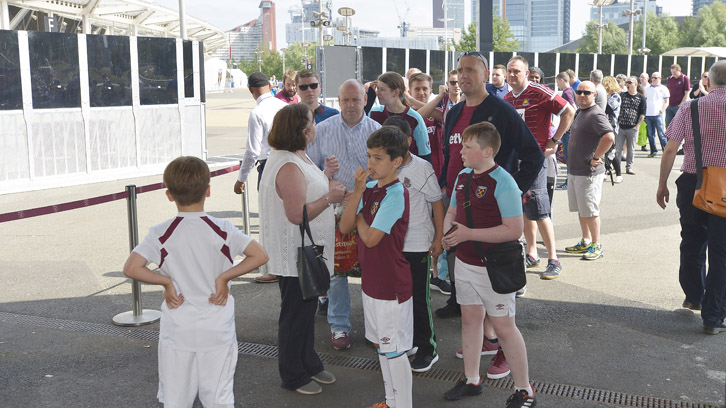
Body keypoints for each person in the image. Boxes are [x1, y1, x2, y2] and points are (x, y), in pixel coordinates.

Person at [123, 156, 269, 408]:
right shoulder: (223, 229)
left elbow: (131, 268)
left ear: (169, 195)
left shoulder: (161, 233)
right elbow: (260, 255)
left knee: (176, 399)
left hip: (178, 331)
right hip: (217, 329)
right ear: (208, 191)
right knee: (218, 398)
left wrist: (166, 282)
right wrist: (225, 276)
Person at [437, 51, 544, 382]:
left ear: (485, 74)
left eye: (471, 69)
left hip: (492, 217)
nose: (464, 75)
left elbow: (533, 155)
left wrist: (511, 191)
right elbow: (448, 156)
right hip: (460, 210)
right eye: (459, 70)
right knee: (469, 289)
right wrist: (446, 192)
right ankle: (486, 343)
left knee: (499, 285)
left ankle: (502, 352)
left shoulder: (501, 111)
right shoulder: (454, 111)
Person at [441, 122, 536, 408]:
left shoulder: (504, 182)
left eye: (467, 147)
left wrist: (467, 234)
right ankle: (471, 379)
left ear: (487, 151)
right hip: (466, 264)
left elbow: (514, 230)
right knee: (470, 319)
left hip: (493, 268)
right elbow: (453, 211)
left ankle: (524, 390)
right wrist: (447, 234)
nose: (460, 152)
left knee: (504, 327)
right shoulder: (463, 176)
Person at [259, 104, 345, 395]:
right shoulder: (288, 164)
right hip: (295, 254)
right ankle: (293, 374)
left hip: (305, 250)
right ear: (303, 130)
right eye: (311, 121)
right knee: (296, 316)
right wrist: (331, 197)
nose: (316, 125)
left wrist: (325, 173)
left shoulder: (295, 156)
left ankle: (309, 362)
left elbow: (305, 189)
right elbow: (297, 214)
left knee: (305, 312)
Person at [339, 127, 413, 408]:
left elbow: (369, 238)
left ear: (397, 161)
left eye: (378, 158)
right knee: (383, 348)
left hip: (390, 285)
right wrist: (358, 192)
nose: (370, 163)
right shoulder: (369, 188)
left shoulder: (396, 194)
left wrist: (358, 214)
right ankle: (390, 401)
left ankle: (401, 404)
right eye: (369, 156)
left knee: (393, 351)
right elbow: (345, 226)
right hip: (372, 283)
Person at [307, 79, 382, 350]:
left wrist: (362, 191)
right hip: (333, 211)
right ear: (337, 102)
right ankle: (338, 327)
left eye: (356, 100)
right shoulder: (322, 130)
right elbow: (309, 170)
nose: (350, 105)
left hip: (369, 209)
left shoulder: (377, 132)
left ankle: (375, 328)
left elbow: (387, 173)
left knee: (372, 268)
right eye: (345, 100)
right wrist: (328, 182)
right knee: (338, 271)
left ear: (365, 100)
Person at [656, 60, 726, 335]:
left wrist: (662, 184)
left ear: (707, 82)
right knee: (722, 252)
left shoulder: (690, 106)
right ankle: (714, 316)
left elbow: (670, 149)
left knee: (692, 240)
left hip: (693, 183)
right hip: (724, 187)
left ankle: (694, 295)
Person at [383, 116, 445, 373]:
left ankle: (428, 348)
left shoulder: (421, 168)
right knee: (397, 298)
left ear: (409, 140)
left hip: (417, 243)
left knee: (419, 298)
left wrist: (439, 237)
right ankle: (406, 341)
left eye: (398, 136)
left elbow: (437, 202)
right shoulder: (383, 166)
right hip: (391, 244)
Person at [505, 55, 575, 280]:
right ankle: (532, 253)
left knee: (540, 207)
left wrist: (554, 141)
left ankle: (554, 258)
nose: (512, 75)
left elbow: (569, 112)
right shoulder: (506, 98)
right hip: (514, 161)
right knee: (523, 204)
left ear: (526, 73)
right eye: (510, 71)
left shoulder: (541, 91)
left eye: (517, 71)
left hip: (535, 159)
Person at [234, 71, 286, 283]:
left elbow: (253, 151)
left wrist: (241, 178)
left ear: (251, 90)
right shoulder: (284, 106)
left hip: (269, 167)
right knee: (286, 217)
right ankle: (287, 264)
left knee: (269, 219)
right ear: (269, 85)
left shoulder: (257, 112)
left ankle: (274, 268)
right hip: (289, 163)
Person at [564, 81, 615, 261]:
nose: (582, 95)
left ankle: (596, 244)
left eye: (587, 92)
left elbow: (609, 137)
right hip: (576, 170)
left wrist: (596, 157)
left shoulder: (595, 114)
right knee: (581, 209)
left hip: (588, 173)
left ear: (594, 95)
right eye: (579, 92)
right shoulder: (580, 112)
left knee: (591, 210)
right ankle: (586, 241)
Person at [369, 72, 432, 163]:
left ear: (395, 92)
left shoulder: (414, 118)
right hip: (382, 172)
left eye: (382, 89)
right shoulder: (374, 113)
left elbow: (425, 154)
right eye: (377, 88)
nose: (377, 93)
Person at [406, 72, 445, 178]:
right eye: (417, 89)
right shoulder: (406, 114)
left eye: (425, 89)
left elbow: (444, 117)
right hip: (414, 173)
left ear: (431, 91)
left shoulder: (438, 111)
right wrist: (439, 98)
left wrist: (412, 100)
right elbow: (415, 119)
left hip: (437, 171)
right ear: (410, 92)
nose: (421, 93)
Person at [614, 76, 646, 178]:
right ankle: (617, 168)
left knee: (631, 149)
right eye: (627, 82)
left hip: (632, 127)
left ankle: (629, 167)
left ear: (636, 84)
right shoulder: (622, 95)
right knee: (618, 149)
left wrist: (637, 126)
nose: (628, 84)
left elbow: (642, 113)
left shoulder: (641, 97)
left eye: (630, 82)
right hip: (621, 126)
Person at [644, 72, 670, 158]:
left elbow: (666, 102)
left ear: (660, 78)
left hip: (658, 114)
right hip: (648, 114)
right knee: (650, 134)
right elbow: (644, 101)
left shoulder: (664, 88)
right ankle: (653, 151)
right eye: (653, 77)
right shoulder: (647, 89)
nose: (654, 79)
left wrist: (661, 111)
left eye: (656, 78)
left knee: (661, 133)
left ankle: (665, 151)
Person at [603, 76, 622, 183]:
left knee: (611, 151)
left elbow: (608, 108)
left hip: (612, 126)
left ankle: (618, 174)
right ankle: (606, 170)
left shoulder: (615, 97)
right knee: (606, 150)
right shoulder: (609, 96)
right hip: (605, 125)